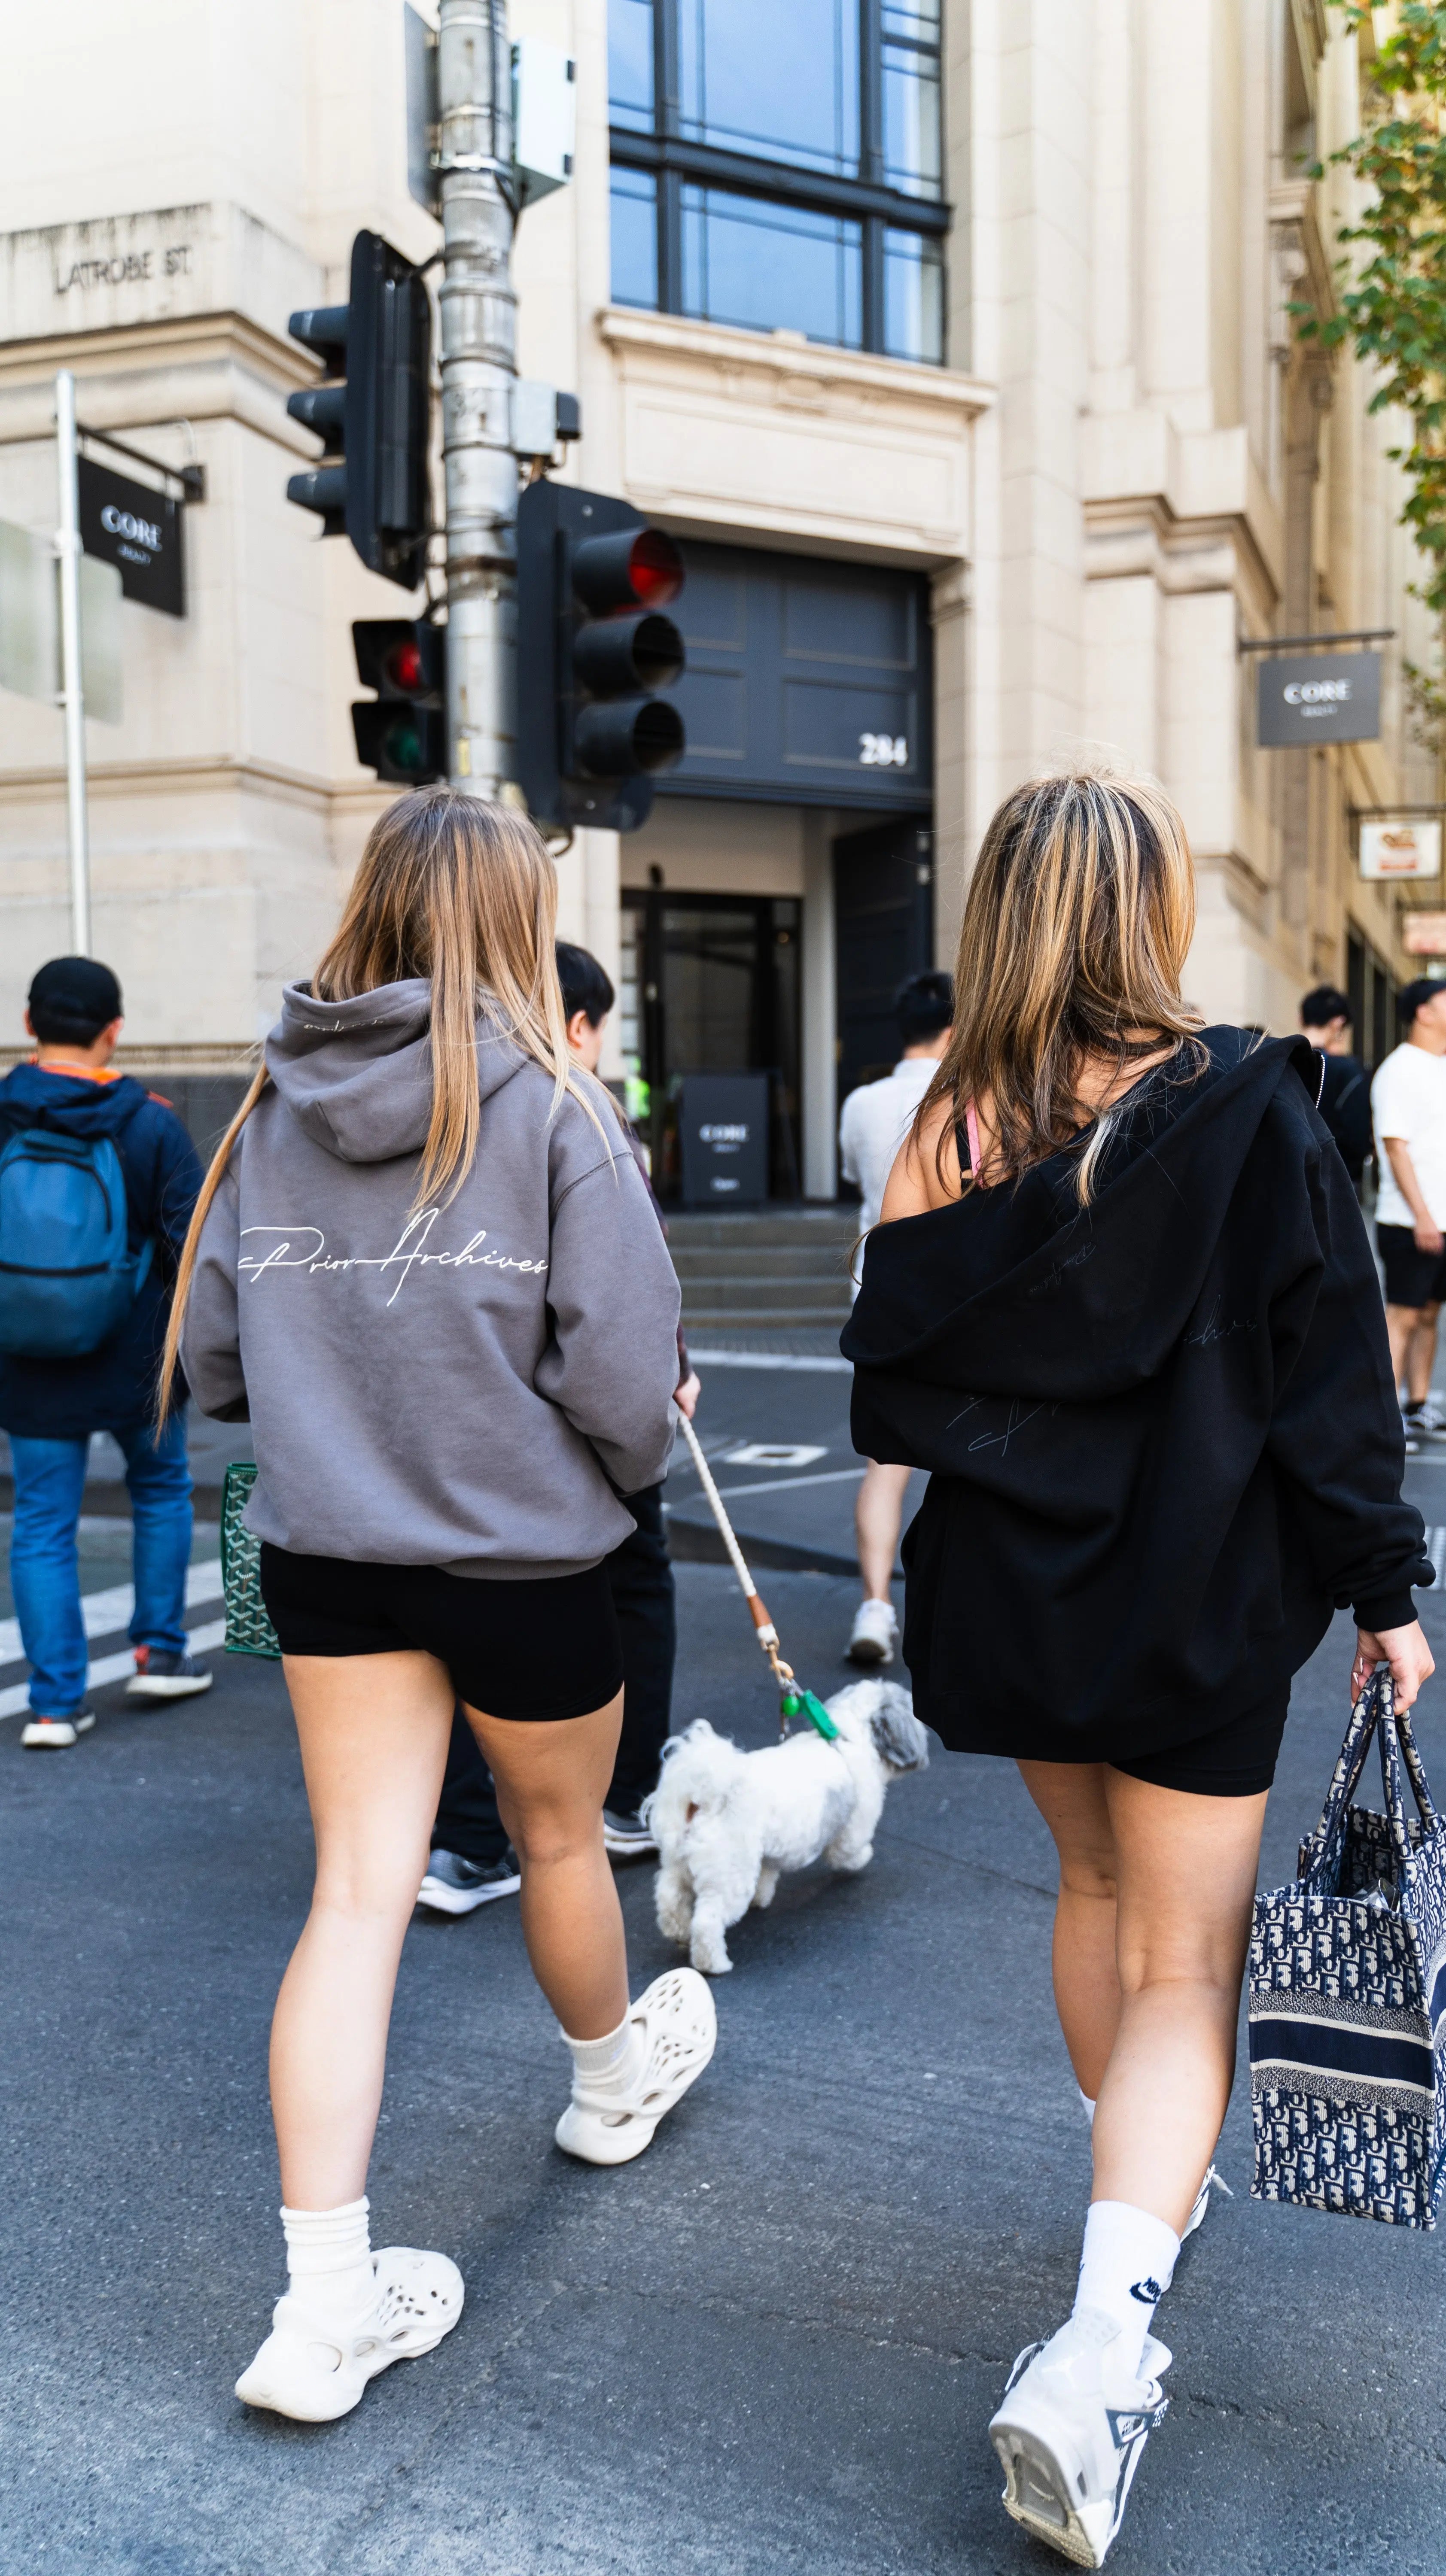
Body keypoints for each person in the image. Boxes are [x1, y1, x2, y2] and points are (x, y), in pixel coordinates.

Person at [844, 772, 1433, 2567]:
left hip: (1009, 1590)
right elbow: (1335, 1384)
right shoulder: (1256, 1104)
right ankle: (1109, 2339)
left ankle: (1130, 2196)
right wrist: (1385, 1594)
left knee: (1093, 1890)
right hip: (1195, 1589)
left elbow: (886, 1375)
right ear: (1154, 909)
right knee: (1188, 1957)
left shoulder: (949, 1121)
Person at [167, 787, 716, 2423]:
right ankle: (611, 2083)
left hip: (324, 1548)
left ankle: (321, 2307)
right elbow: (624, 1377)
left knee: (356, 1893)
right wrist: (606, 1478)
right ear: (502, 918)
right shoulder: (552, 1105)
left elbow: (210, 1357)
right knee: (559, 1840)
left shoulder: (269, 1108)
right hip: (526, 1559)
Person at [417, 938, 700, 1911]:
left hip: (448, 1431)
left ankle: (462, 1842)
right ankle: (622, 1801)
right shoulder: (580, 1113)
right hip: (579, 1424)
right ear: (575, 1024)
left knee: (451, 1613)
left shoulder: (435, 1108)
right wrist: (658, 1408)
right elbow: (629, 1291)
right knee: (630, 1587)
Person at [0, 957, 209, 1746]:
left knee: (43, 1523)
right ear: (114, 1029)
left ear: (29, 1024)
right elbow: (192, 1237)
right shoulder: (149, 1120)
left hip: (27, 1353)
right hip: (137, 1352)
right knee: (159, 1488)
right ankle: (161, 1650)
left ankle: (55, 1703)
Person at [837, 968, 954, 1666]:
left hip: (878, 1301)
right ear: (953, 1027)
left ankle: (877, 1608)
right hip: (957, 1309)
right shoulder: (971, 1093)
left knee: (885, 1467)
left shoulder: (861, 1103)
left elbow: (861, 1183)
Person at [1370, 973, 1446, 1450]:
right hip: (1410, 1222)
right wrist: (1422, 1215)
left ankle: (1416, 1408)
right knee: (1401, 1317)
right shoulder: (1398, 1070)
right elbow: (1395, 1149)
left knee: (1430, 1315)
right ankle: (1383, 1418)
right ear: (1424, 1013)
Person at [1297, 983, 1371, 1188]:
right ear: (1338, 1023)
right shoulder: (1349, 1072)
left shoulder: (1277, 1061)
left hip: (1285, 1177)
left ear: (1301, 1019)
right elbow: (1358, 1135)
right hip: (1333, 1182)